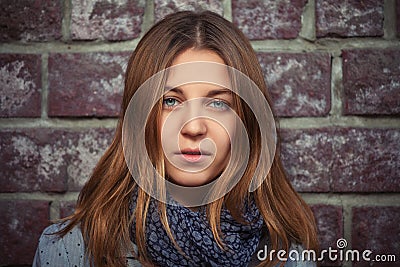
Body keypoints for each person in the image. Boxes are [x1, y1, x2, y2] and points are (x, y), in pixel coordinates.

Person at [33, 11, 318, 267]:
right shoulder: (72, 248)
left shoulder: (286, 255)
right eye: (170, 101)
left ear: (245, 121)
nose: (193, 127)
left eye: (218, 103)